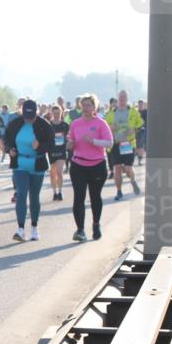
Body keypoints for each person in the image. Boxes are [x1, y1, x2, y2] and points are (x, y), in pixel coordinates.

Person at [67, 94, 113, 241]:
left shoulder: (101, 123)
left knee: (95, 197)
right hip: (78, 164)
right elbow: (71, 141)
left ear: (94, 107)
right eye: (84, 105)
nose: (86, 108)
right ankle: (80, 230)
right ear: (80, 107)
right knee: (78, 198)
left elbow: (109, 143)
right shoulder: (75, 123)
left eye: (89, 105)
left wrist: (93, 141)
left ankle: (96, 224)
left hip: (97, 165)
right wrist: (70, 145)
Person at [5, 99, 52, 241]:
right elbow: (6, 139)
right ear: (22, 112)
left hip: (37, 163)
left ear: (37, 113)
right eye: (26, 117)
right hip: (20, 163)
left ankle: (34, 227)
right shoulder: (15, 124)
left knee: (34, 196)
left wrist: (40, 146)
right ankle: (20, 230)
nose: (29, 120)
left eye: (31, 117)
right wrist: (9, 149)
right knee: (21, 193)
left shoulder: (44, 125)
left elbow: (51, 144)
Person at [104, 90, 143, 200]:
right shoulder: (111, 113)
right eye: (120, 97)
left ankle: (133, 181)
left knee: (127, 168)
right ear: (117, 99)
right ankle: (119, 191)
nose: (122, 100)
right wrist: (110, 128)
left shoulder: (133, 111)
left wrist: (134, 130)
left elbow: (141, 125)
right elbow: (104, 127)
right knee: (117, 168)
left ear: (127, 99)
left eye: (124, 98)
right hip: (115, 144)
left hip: (128, 144)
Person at [47, 104, 70, 201]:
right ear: (51, 113)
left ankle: (60, 192)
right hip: (52, 151)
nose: (56, 115)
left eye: (58, 113)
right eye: (54, 113)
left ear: (61, 113)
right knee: (53, 174)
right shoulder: (48, 125)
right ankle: (54, 192)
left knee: (59, 172)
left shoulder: (65, 125)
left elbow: (69, 137)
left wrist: (68, 143)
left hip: (61, 151)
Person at [136, 99, 148, 165]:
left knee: (142, 145)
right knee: (139, 145)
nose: (140, 106)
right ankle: (139, 159)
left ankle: (141, 159)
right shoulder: (136, 112)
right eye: (139, 104)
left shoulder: (146, 112)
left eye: (141, 104)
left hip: (144, 130)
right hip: (137, 130)